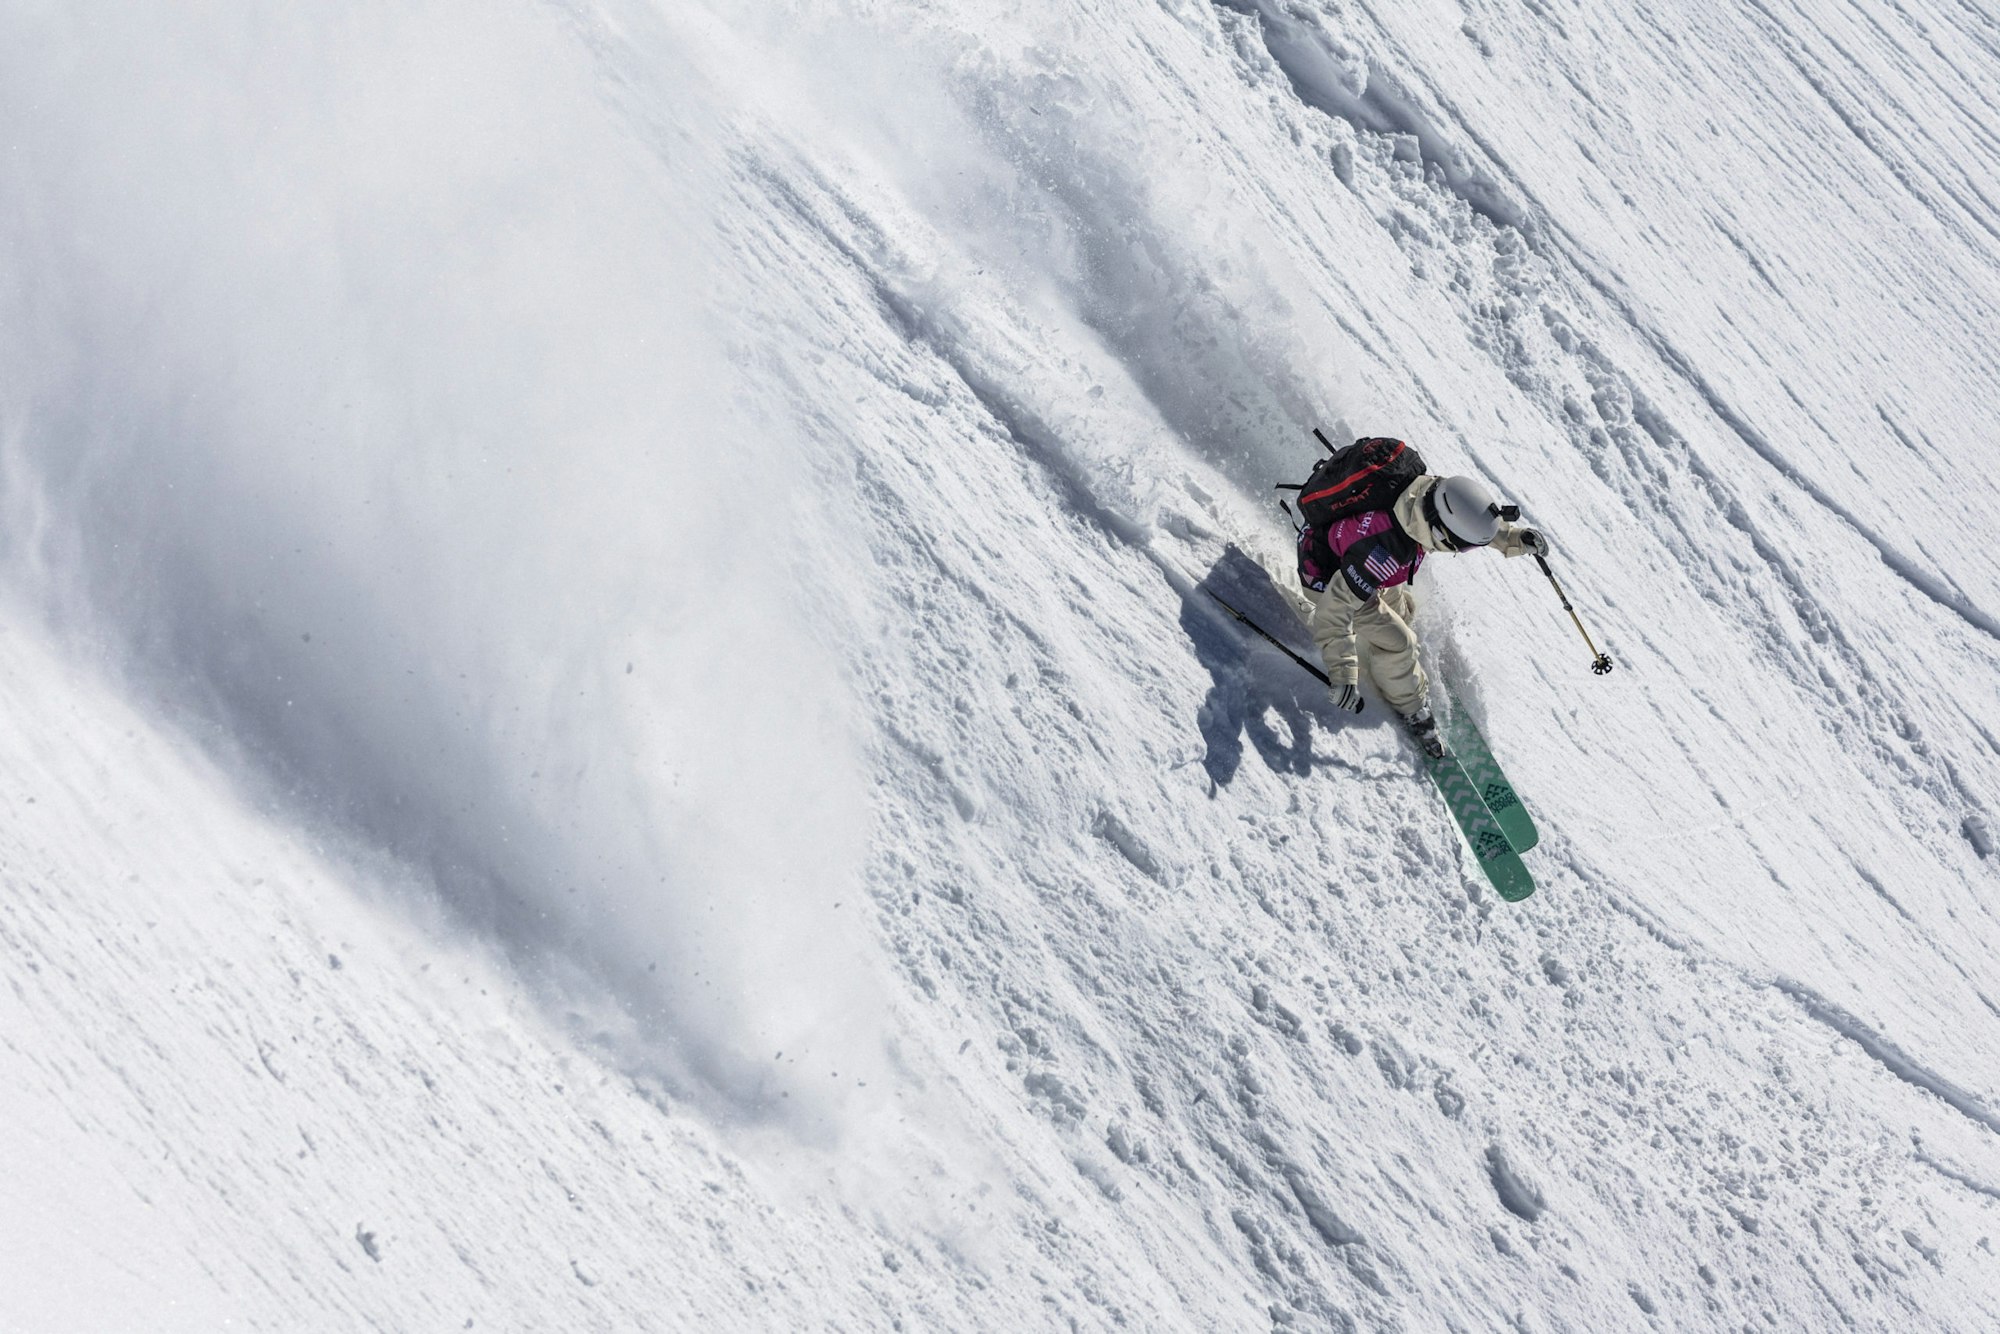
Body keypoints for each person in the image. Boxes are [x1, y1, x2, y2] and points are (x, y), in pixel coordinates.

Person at [1301, 472, 1546, 757]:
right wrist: (1342, 673)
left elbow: (1466, 512)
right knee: (1399, 642)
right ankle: (1413, 711)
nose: (1463, 550)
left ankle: (1396, 670)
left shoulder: (1423, 492)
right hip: (1326, 579)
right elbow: (1335, 608)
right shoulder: (1385, 552)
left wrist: (1512, 538)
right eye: (1463, 547)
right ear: (1442, 534)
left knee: (1403, 613)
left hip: (1358, 564)